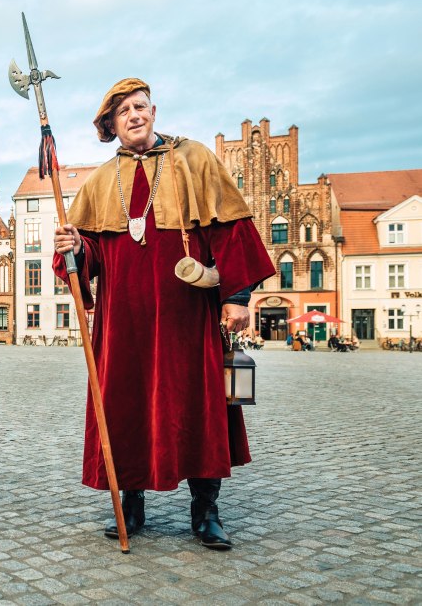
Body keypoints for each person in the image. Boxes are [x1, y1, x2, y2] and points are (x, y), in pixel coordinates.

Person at [53, 78, 275, 550]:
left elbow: (232, 229)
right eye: (123, 112)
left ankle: (205, 510)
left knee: (198, 402)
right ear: (111, 126)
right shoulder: (97, 180)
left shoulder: (193, 160)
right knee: (124, 405)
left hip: (186, 317)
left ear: (154, 111)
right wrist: (76, 248)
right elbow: (89, 254)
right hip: (123, 321)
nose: (134, 115)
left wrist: (237, 295)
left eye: (140, 107)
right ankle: (130, 504)